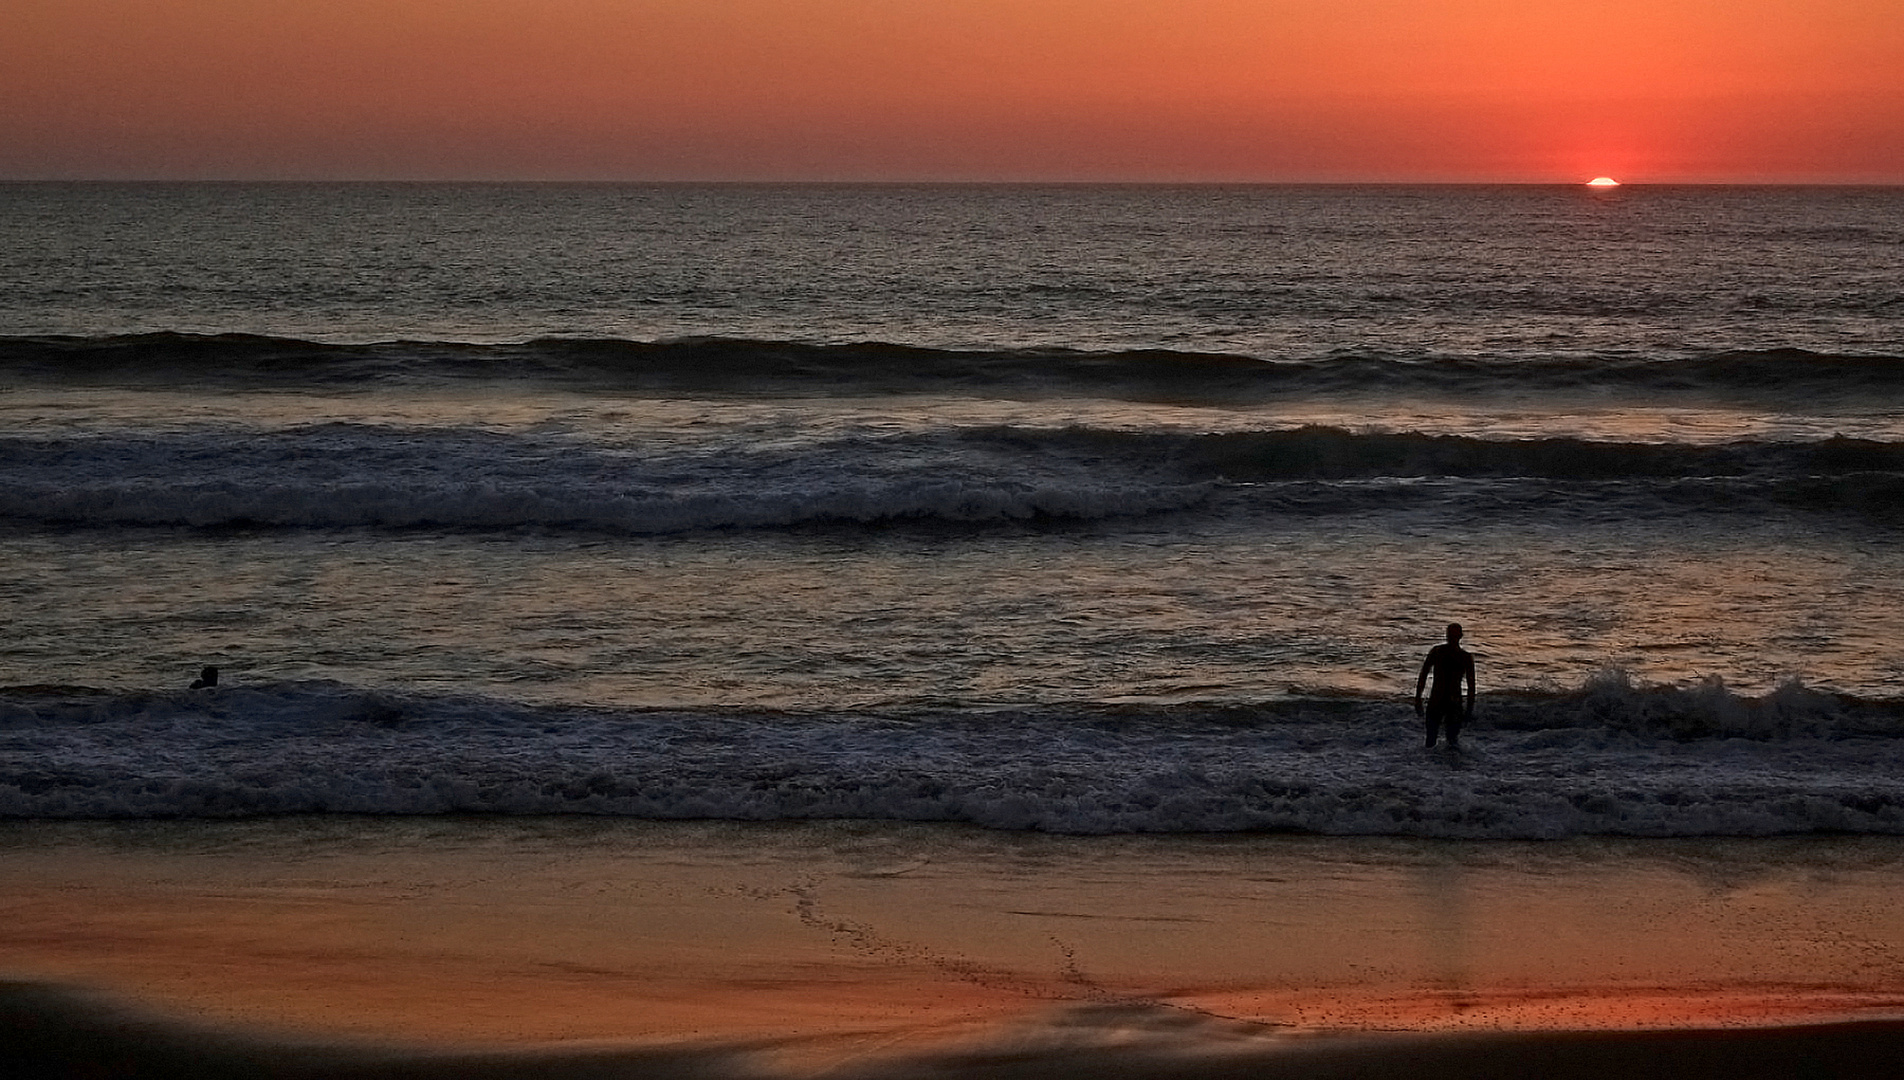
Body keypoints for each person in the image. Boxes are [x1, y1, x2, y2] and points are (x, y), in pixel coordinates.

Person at [1414, 623, 1474, 748]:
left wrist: (1418, 698)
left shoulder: (1439, 652)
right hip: (1448, 701)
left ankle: (1429, 765)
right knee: (1449, 741)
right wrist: (1469, 709)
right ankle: (1445, 766)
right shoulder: (1462, 657)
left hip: (1443, 700)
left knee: (1439, 740)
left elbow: (1423, 676)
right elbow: (1471, 687)